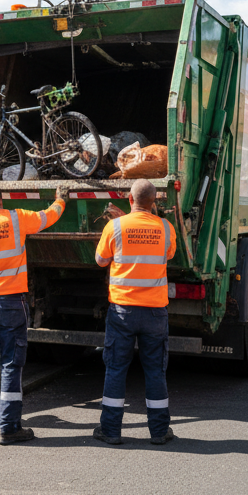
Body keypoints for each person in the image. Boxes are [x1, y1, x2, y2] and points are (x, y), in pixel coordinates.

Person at [0, 179, 68, 444]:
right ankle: (9, 427)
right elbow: (47, 217)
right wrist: (61, 198)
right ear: (1, 198)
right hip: (10, 303)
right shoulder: (17, 220)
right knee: (10, 363)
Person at [92, 179, 177, 445]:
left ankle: (111, 430)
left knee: (116, 369)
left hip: (122, 312)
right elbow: (169, 254)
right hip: (154, 312)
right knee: (155, 371)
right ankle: (160, 431)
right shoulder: (166, 227)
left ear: (130, 199)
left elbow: (100, 260)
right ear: (154, 202)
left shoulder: (114, 226)